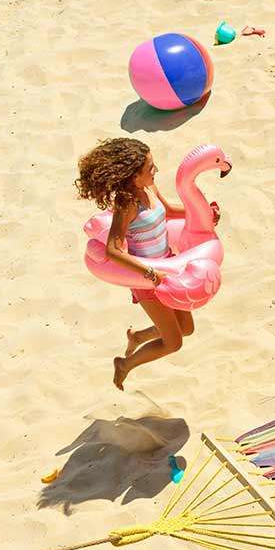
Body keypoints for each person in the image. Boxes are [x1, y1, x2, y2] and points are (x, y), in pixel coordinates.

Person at [74, 138, 216, 390]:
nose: (155, 170)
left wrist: (205, 212)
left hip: (170, 265)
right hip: (147, 279)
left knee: (186, 328)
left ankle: (138, 336)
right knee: (173, 342)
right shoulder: (127, 203)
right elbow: (113, 249)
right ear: (133, 176)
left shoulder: (150, 188)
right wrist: (150, 274)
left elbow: (170, 211)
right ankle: (124, 364)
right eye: (150, 167)